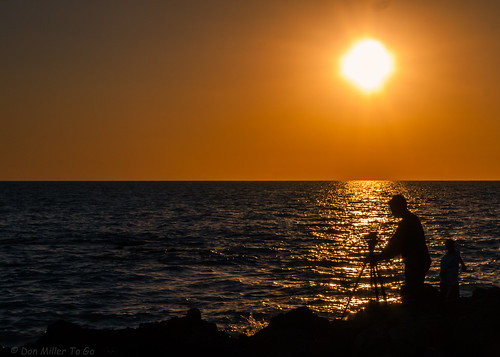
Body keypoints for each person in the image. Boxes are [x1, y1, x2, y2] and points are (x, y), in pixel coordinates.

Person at [372, 195, 431, 301]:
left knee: (413, 291)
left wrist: (380, 256)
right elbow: (396, 244)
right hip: (418, 260)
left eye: (392, 208)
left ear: (399, 207)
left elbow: (396, 243)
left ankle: (414, 311)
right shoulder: (410, 219)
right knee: (413, 289)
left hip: (416, 262)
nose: (391, 211)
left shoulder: (407, 222)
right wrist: (384, 255)